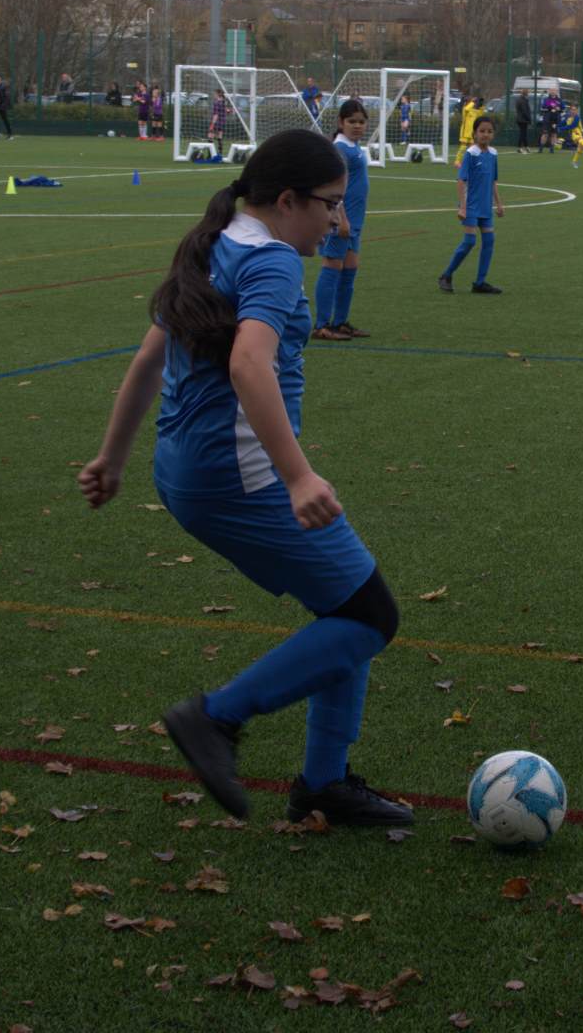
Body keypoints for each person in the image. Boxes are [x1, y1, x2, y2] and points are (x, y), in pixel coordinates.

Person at [77, 129, 412, 827]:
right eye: (329, 204)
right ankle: (216, 717)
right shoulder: (272, 260)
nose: (337, 220)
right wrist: (298, 477)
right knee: (370, 616)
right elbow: (247, 364)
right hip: (238, 477)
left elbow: (149, 360)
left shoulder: (215, 241)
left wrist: (112, 458)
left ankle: (324, 783)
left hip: (184, 471)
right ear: (287, 200)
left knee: (345, 605)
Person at [313, 99, 373, 342]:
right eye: (351, 121)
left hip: (355, 221)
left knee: (349, 269)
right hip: (340, 221)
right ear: (341, 122)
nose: (357, 126)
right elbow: (333, 186)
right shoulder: (339, 148)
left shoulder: (354, 147)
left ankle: (340, 322)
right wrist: (341, 218)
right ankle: (321, 325)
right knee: (332, 267)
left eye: (361, 121)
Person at [440, 115, 503, 294]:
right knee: (469, 241)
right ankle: (446, 275)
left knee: (489, 241)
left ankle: (480, 283)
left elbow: (493, 181)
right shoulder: (471, 154)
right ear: (475, 133)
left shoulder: (493, 154)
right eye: (482, 131)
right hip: (471, 206)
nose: (485, 134)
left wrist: (499, 204)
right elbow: (461, 180)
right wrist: (462, 207)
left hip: (486, 207)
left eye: (489, 131)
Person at [453, 95, 483, 167]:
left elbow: (480, 114)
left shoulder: (474, 111)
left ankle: (471, 162)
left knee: (472, 148)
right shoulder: (465, 109)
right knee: (463, 146)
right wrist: (473, 102)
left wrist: (481, 106)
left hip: (472, 132)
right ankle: (457, 161)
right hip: (465, 132)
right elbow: (467, 109)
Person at [559, 100, 583, 168]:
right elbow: (563, 123)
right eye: (572, 110)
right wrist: (558, 126)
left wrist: (561, 128)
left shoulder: (577, 117)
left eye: (575, 110)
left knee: (579, 150)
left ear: (577, 111)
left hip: (581, 133)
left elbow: (572, 126)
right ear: (570, 110)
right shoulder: (567, 117)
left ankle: (574, 162)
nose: (573, 111)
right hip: (574, 134)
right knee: (580, 141)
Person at [539, 90, 563, 154]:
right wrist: (550, 107)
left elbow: (562, 108)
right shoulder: (546, 99)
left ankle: (551, 149)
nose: (553, 92)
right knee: (545, 134)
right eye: (551, 91)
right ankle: (541, 148)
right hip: (547, 120)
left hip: (555, 120)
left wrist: (559, 109)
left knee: (554, 134)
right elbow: (543, 107)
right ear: (550, 92)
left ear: (556, 92)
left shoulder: (559, 100)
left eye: (554, 91)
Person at [209, 91, 231, 155]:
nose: (214, 95)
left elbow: (216, 114)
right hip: (222, 122)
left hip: (216, 122)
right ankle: (220, 153)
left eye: (214, 94)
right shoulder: (224, 102)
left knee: (210, 136)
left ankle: (210, 154)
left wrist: (212, 124)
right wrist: (228, 111)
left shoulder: (217, 103)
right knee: (219, 137)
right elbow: (227, 111)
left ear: (218, 94)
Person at [513, 88, 533, 155]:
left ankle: (526, 147)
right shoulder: (523, 100)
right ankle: (520, 148)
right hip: (523, 120)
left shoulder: (520, 99)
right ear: (526, 93)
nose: (528, 93)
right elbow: (525, 111)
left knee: (524, 134)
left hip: (520, 119)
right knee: (523, 134)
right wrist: (529, 119)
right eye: (528, 92)